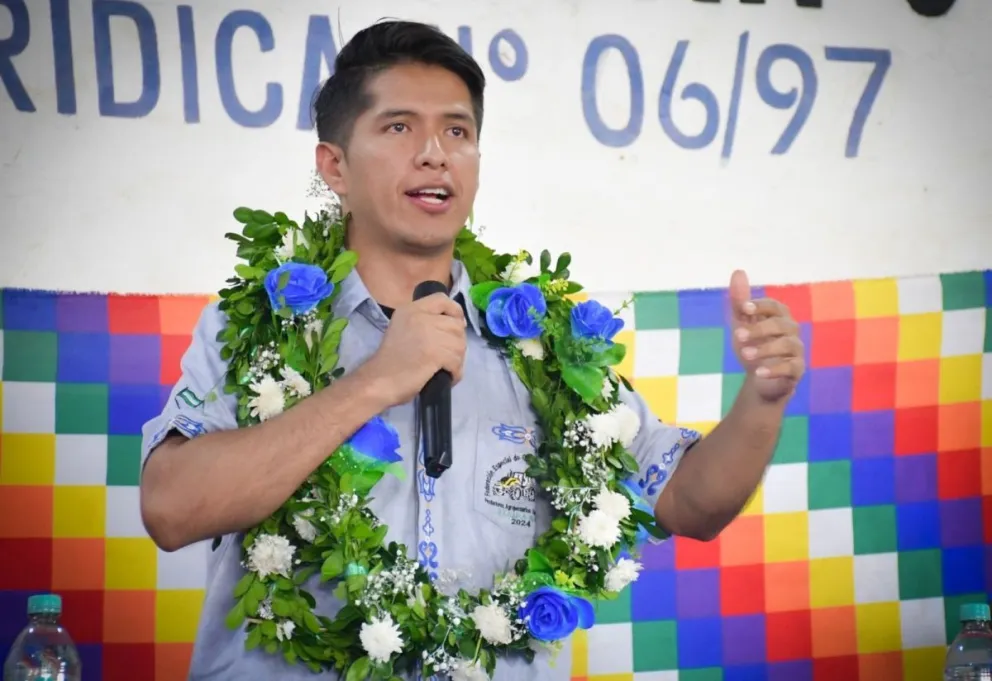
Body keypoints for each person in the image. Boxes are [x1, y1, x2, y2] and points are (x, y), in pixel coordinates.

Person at [138, 19, 805, 681]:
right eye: (399, 126)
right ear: (334, 166)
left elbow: (691, 503)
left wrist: (765, 397)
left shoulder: (544, 344)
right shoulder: (258, 327)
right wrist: (375, 382)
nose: (435, 152)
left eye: (457, 131)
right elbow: (171, 509)